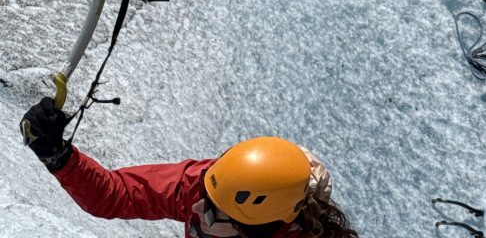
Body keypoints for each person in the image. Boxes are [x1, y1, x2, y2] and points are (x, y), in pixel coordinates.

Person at [20, 97, 359, 238]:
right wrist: (57, 156)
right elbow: (118, 195)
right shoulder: (215, 187)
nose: (196, 209)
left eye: (211, 214)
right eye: (206, 196)